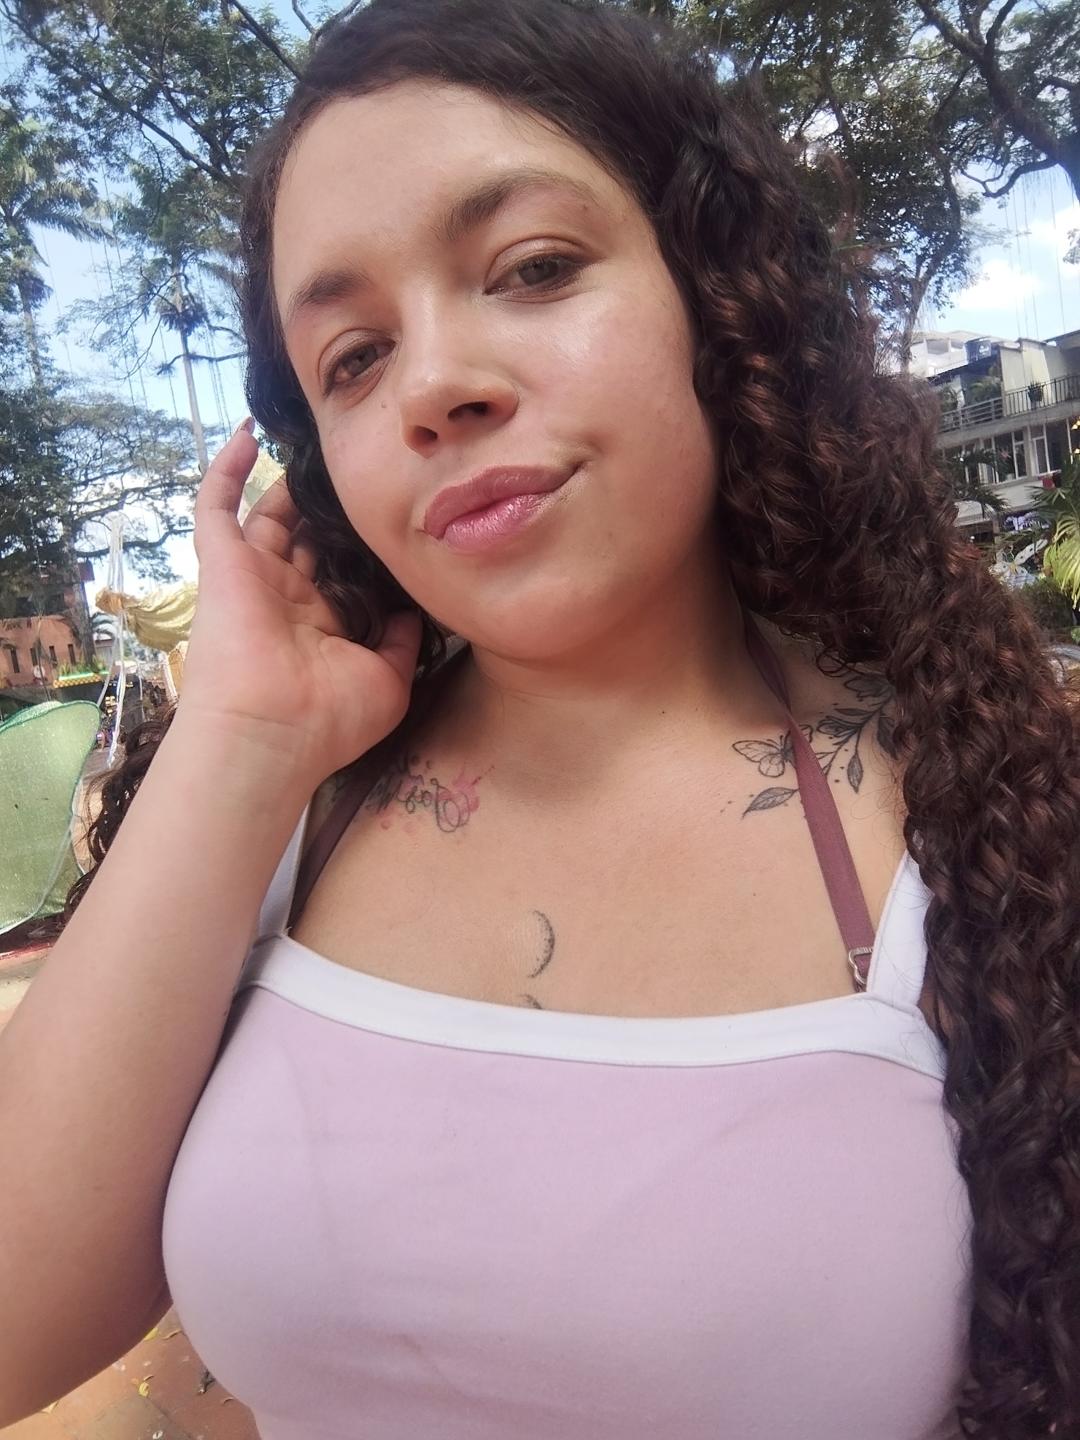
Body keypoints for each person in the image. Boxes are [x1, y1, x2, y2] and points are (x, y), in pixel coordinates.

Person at [1, 1, 1077, 1435]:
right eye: (354, 357)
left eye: (534, 268)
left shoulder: (979, 812)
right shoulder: (288, 808)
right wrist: (243, 737)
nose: (435, 387)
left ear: (711, 295)